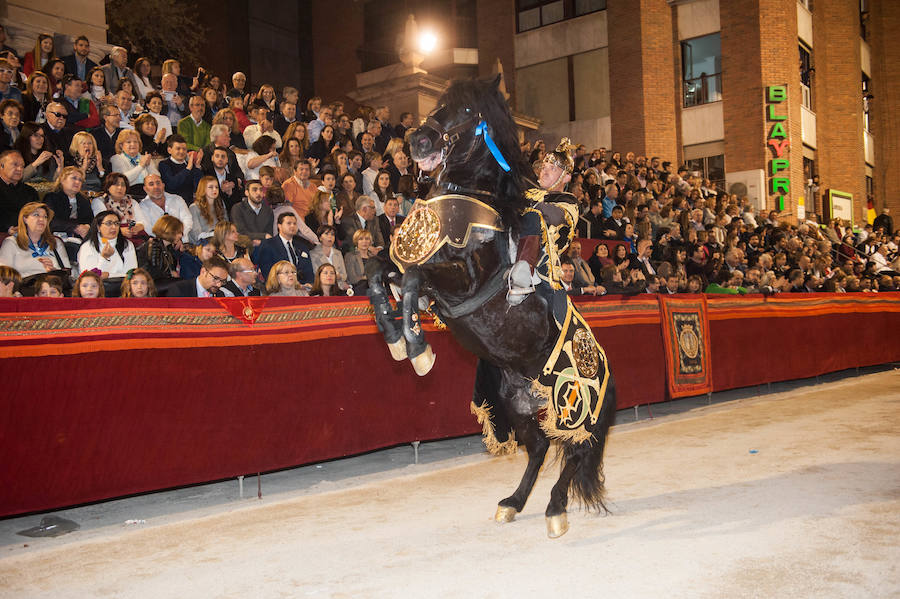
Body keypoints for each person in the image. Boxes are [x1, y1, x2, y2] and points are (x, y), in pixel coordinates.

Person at [507, 138, 580, 306]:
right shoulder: (530, 192)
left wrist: (525, 202)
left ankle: (524, 274)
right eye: (544, 168)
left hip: (543, 265)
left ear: (566, 177)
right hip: (510, 243)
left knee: (533, 216)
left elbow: (553, 216)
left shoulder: (569, 201)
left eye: (552, 169)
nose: (544, 172)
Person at [0, 202, 70, 278]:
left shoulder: (56, 243)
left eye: (45, 217)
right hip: (23, 287)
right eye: (36, 215)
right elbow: (4, 276)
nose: (41, 219)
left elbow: (67, 273)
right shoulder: (11, 243)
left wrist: (53, 271)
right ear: (25, 219)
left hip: (50, 286)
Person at [77, 210, 138, 284]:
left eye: (116, 223)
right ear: (98, 227)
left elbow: (131, 273)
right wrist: (104, 258)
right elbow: (90, 278)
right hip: (96, 289)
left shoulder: (127, 244)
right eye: (109, 223)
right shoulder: (88, 247)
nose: (113, 227)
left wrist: (109, 275)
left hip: (123, 286)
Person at [44, 166, 93, 257]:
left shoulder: (83, 200)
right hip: (57, 238)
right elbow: (50, 221)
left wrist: (86, 226)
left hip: (80, 238)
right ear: (62, 180)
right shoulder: (52, 197)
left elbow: (90, 220)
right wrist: (75, 227)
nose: (77, 182)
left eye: (80, 180)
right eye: (74, 178)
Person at [253, 212, 313, 283]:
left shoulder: (302, 246)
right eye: (289, 223)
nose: (292, 226)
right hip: (279, 287)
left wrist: (308, 285)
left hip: (302, 288)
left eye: (295, 224)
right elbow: (267, 272)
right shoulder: (268, 245)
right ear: (279, 226)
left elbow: (309, 272)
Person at [139, 173, 192, 243]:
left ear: (163, 185)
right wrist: (171, 240)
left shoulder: (177, 199)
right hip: (161, 246)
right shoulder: (142, 206)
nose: (156, 187)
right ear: (145, 189)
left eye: (158, 183)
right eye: (151, 184)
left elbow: (187, 220)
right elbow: (148, 230)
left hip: (182, 242)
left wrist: (180, 236)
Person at [136, 214, 184, 286]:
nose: (180, 235)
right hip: (151, 284)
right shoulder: (154, 245)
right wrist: (170, 273)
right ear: (169, 231)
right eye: (178, 232)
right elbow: (155, 272)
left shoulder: (168, 247)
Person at [0, 150, 39, 233]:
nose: (20, 169)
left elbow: (37, 214)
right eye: (15, 165)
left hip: (27, 234)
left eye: (22, 166)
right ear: (1, 166)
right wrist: (7, 228)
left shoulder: (30, 192)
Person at [158, 134, 203, 205]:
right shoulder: (164, 164)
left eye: (184, 149)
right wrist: (187, 169)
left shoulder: (190, 165)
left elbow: (198, 187)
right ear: (169, 150)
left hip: (189, 204)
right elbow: (171, 184)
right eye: (178, 149)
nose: (181, 152)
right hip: (172, 205)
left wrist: (197, 166)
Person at [110, 129, 159, 194]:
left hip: (148, 193)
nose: (133, 144)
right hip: (129, 194)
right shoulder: (116, 159)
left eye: (135, 142)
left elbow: (158, 178)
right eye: (128, 142)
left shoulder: (145, 157)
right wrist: (141, 166)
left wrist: (148, 165)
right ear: (121, 145)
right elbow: (123, 180)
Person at [230, 179, 273, 246]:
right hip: (244, 246)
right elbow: (240, 232)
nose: (259, 193)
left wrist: (262, 241)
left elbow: (270, 233)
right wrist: (263, 236)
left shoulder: (268, 210)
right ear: (246, 193)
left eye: (261, 190)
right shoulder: (238, 208)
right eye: (254, 190)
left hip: (264, 246)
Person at [203, 144, 244, 212]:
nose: (220, 159)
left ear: (227, 160)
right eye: (217, 156)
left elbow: (237, 203)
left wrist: (230, 194)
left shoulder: (232, 178)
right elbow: (204, 197)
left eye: (223, 157)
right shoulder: (206, 175)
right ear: (212, 158)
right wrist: (221, 190)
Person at [188, 176, 228, 244]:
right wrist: (217, 234)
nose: (215, 189)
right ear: (203, 189)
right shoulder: (194, 208)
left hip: (221, 240)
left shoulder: (220, 204)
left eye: (217, 187)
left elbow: (227, 225)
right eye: (211, 187)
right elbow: (197, 235)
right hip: (203, 244)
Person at [309, 224, 348, 289]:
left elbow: (344, 275)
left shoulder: (338, 253)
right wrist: (335, 276)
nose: (330, 237)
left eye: (332, 234)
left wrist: (338, 277)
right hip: (322, 289)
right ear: (320, 238)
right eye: (326, 234)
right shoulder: (313, 254)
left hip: (339, 287)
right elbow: (317, 275)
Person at [90, 104, 121, 171]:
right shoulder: (94, 134)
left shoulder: (122, 133)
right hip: (100, 169)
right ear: (105, 117)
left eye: (119, 115)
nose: (119, 118)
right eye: (116, 115)